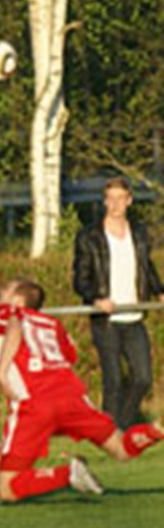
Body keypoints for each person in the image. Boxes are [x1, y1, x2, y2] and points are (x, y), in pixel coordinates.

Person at [0, 278, 164, 502]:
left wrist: (2, 371)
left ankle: (67, 474)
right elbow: (71, 354)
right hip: (73, 396)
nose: (0, 292)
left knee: (8, 489)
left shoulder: (5, 313)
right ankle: (158, 429)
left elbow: (15, 323)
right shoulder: (52, 323)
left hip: (34, 400)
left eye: (6, 290)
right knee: (121, 448)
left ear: (18, 301)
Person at [72, 176, 164, 429]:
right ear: (104, 202)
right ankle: (111, 433)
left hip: (134, 316)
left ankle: (119, 424)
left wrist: (159, 291)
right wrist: (96, 298)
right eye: (110, 199)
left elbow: (147, 268)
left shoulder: (139, 233)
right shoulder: (89, 236)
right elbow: (80, 278)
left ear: (129, 201)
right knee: (113, 379)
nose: (115, 204)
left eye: (120, 199)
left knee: (142, 377)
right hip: (107, 319)